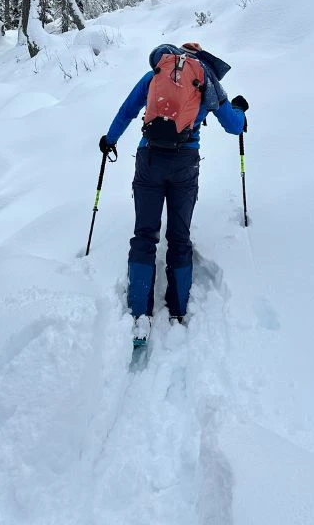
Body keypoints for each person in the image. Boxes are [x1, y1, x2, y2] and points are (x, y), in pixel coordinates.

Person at [98, 43, 247, 346]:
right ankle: (178, 311)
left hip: (149, 160)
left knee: (144, 235)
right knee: (179, 238)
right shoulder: (206, 78)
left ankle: (140, 314)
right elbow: (233, 126)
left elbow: (127, 110)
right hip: (184, 164)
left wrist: (109, 139)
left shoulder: (156, 73)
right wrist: (241, 113)